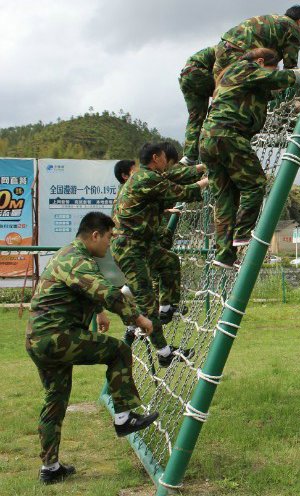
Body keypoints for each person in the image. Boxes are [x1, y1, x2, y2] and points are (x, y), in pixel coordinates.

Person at [26, 212, 160, 484]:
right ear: (95, 235)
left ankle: (50, 469)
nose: (110, 245)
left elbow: (84, 289)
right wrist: (138, 317)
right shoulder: (76, 259)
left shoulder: (70, 255)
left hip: (39, 340)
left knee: (55, 399)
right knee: (118, 351)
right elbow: (105, 291)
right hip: (56, 337)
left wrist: (99, 313)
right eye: (109, 238)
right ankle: (124, 418)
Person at [200, 47, 300, 268]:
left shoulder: (242, 82)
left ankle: (225, 254)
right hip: (228, 135)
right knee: (255, 184)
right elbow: (274, 78)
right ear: (260, 61)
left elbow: (270, 92)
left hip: (210, 139)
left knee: (226, 197)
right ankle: (242, 232)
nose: (273, 72)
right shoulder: (245, 67)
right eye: (272, 67)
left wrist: (295, 101)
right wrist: (298, 74)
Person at [112, 142, 208, 363]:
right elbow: (182, 191)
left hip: (140, 245)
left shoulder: (148, 178)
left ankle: (166, 307)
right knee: (146, 302)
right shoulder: (146, 178)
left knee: (169, 261)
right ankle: (164, 353)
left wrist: (202, 168)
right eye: (165, 158)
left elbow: (176, 178)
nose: (167, 162)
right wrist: (208, 181)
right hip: (130, 248)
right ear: (156, 158)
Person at [212, 5, 300, 79]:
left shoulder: (271, 19)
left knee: (221, 93)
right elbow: (290, 67)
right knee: (248, 97)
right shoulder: (293, 27)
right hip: (241, 55)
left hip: (222, 49)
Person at [179, 46, 215, 166]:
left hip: (185, 76)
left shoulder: (214, 49)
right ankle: (214, 142)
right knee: (228, 91)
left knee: (195, 118)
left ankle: (189, 156)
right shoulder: (227, 51)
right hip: (197, 73)